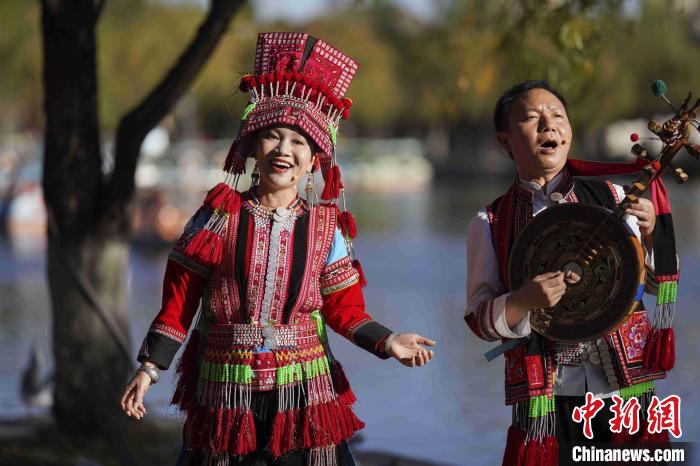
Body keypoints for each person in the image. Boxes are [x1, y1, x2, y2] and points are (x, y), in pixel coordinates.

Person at [120, 32, 436, 466]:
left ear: (312, 161)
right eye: (273, 136)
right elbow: (179, 303)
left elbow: (345, 310)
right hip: (226, 390)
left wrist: (388, 342)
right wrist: (149, 369)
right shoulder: (216, 217)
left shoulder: (327, 229)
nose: (284, 150)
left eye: (299, 142)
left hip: (305, 391)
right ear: (252, 145)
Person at [465, 80, 673, 465]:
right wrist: (522, 301)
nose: (549, 126)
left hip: (624, 391)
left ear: (569, 131)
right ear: (505, 140)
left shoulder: (614, 198)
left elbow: (656, 286)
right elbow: (480, 318)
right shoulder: (490, 221)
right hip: (549, 399)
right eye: (531, 118)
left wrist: (648, 236)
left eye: (558, 116)